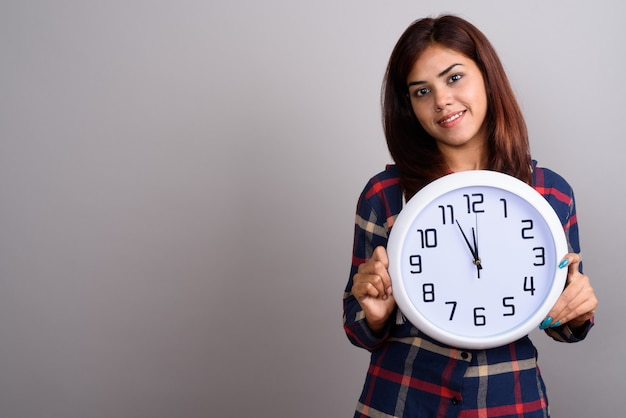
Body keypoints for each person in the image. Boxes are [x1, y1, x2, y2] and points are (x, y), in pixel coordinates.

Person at [342, 15, 598, 417]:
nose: (441, 99)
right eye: (422, 90)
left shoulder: (549, 193)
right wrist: (372, 316)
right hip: (402, 402)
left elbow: (560, 321)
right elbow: (356, 324)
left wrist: (576, 311)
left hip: (508, 403)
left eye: (454, 78)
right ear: (409, 107)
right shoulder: (385, 194)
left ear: (487, 79)